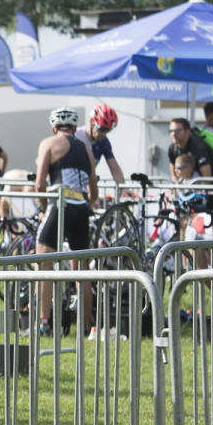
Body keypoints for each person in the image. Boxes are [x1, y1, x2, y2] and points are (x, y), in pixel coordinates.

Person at [33, 107, 98, 337]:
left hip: (60, 205)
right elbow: (94, 192)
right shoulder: (86, 149)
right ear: (73, 127)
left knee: (44, 264)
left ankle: (44, 324)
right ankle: (85, 327)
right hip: (82, 208)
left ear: (54, 127)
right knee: (81, 271)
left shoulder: (48, 143)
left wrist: (43, 208)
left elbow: (39, 185)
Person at [74, 103, 125, 190]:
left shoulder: (103, 142)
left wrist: (124, 189)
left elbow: (115, 169)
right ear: (92, 122)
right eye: (102, 129)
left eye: (108, 130)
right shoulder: (76, 136)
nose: (104, 134)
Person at [169, 117, 213, 182]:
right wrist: (178, 190)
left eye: (177, 131)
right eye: (171, 131)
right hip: (189, 187)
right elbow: (174, 176)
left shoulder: (198, 147)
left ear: (187, 132)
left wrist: (194, 192)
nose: (173, 134)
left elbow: (207, 179)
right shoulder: (172, 148)